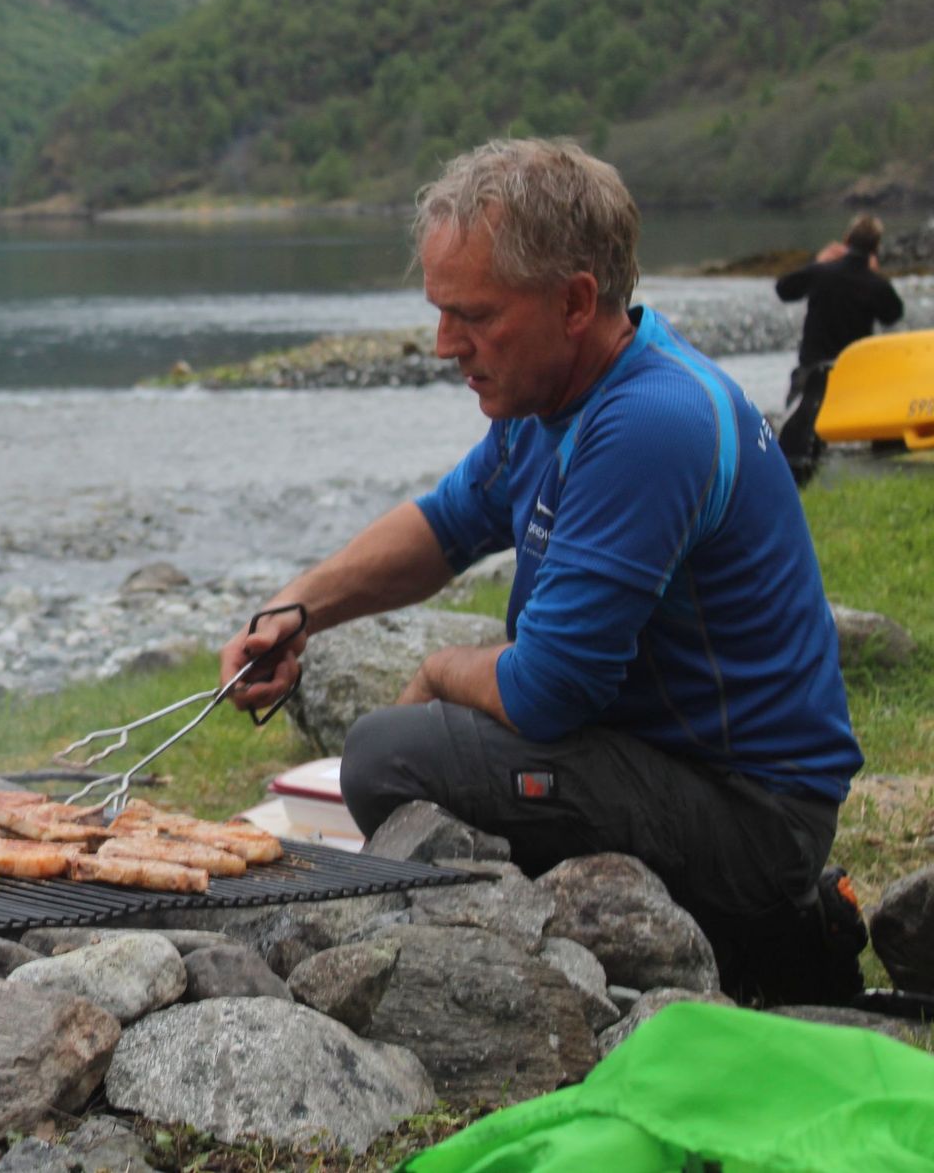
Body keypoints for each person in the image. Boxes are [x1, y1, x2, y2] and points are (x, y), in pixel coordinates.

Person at [220, 139, 867, 1006]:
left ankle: (760, 935)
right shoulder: (553, 397)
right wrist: (295, 610)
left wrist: (441, 669)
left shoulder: (649, 423)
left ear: (574, 301)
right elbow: (448, 523)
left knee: (386, 757)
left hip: (750, 813)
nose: (447, 344)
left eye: (475, 315)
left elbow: (549, 691)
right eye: (440, 311)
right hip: (667, 761)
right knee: (408, 746)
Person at [772, 214, 903, 485]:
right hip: (854, 375)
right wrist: (876, 275)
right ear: (875, 248)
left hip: (812, 371)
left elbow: (784, 289)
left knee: (799, 427)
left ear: (846, 240)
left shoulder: (821, 273)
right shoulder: (874, 284)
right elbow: (894, 314)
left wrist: (817, 262)